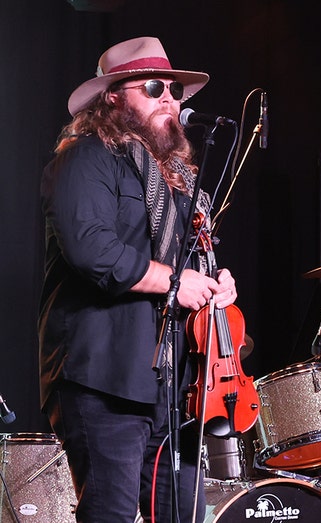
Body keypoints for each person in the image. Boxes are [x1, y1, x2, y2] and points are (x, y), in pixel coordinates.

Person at [38, 37, 239, 522]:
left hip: (175, 388)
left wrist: (217, 281)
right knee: (110, 512)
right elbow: (91, 249)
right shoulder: (84, 157)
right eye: (153, 87)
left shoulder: (181, 180)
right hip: (105, 377)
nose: (169, 97)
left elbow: (191, 262)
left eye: (173, 88)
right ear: (113, 97)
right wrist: (175, 283)